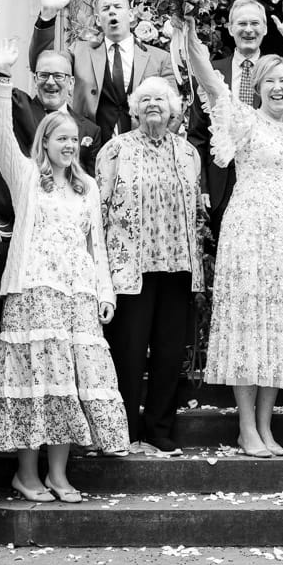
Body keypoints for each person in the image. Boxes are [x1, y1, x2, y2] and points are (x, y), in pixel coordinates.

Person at [0, 38, 130, 502]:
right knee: (33, 383)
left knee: (66, 385)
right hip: (32, 293)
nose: (68, 145)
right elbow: (0, 132)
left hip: (77, 298)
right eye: (59, 138)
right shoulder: (26, 178)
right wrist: (1, 78)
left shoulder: (88, 188)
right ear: (44, 142)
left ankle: (58, 474)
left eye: (73, 139)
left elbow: (98, 248)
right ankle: (25, 475)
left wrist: (104, 292)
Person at [181, 21, 283, 457]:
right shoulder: (243, 118)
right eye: (270, 81)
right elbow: (208, 78)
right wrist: (189, 31)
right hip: (249, 233)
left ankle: (265, 427)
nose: (279, 87)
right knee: (248, 327)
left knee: (276, 329)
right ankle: (245, 428)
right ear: (257, 86)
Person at [0, 0, 102, 281]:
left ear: (71, 83)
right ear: (34, 80)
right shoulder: (20, 105)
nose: (50, 82)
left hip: (60, 240)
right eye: (43, 76)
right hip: (7, 224)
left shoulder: (89, 130)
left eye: (58, 76)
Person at [96, 77, 204, 457]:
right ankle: (123, 429)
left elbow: (197, 213)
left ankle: (159, 428)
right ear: (134, 108)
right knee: (127, 351)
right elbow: (100, 213)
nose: (152, 104)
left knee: (169, 352)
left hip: (178, 268)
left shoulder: (189, 153)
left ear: (173, 108)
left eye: (160, 98)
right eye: (145, 99)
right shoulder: (115, 150)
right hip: (130, 269)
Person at [186, 0, 283, 233]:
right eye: (242, 23)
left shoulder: (277, 73)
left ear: (265, 29)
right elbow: (197, 136)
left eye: (255, 23)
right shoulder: (212, 75)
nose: (248, 29)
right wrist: (201, 186)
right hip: (220, 185)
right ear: (230, 27)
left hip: (270, 189)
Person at [32, 0, 173, 144]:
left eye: (117, 7)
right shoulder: (79, 51)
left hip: (143, 154)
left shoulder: (160, 59)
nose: (112, 11)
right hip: (90, 153)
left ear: (130, 15)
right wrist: (47, 17)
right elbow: (43, 65)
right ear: (98, 20)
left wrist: (155, 145)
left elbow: (173, 111)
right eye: (106, 9)